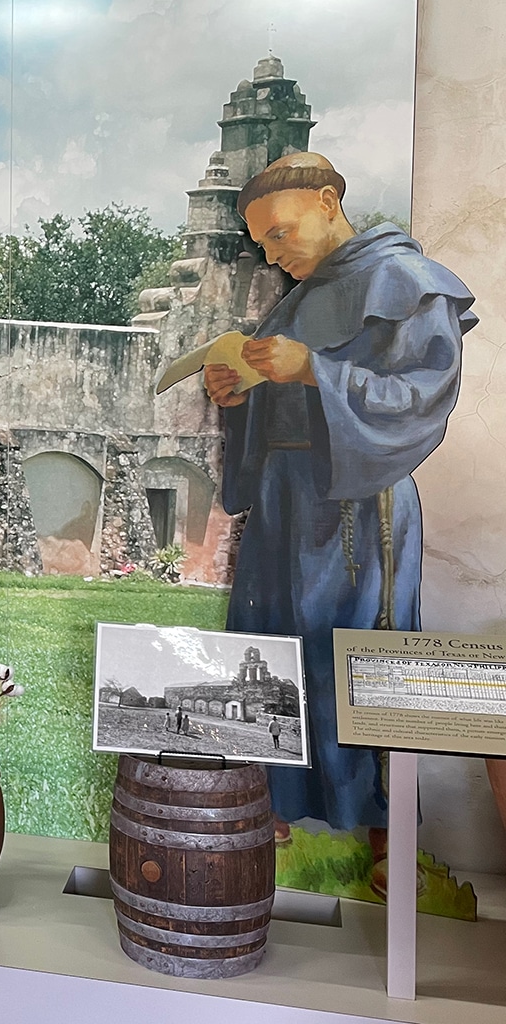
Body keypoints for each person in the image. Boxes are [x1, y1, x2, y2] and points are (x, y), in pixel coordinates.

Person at [204, 153, 476, 875]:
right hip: (284, 502)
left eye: (280, 233)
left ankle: (385, 837)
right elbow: (283, 400)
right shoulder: (297, 300)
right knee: (270, 650)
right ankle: (271, 810)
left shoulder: (407, 282)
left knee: (359, 660)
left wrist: (313, 370)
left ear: (328, 202)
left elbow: (422, 397)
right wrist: (242, 391)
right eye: (261, 243)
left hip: (359, 503)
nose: (273, 254)